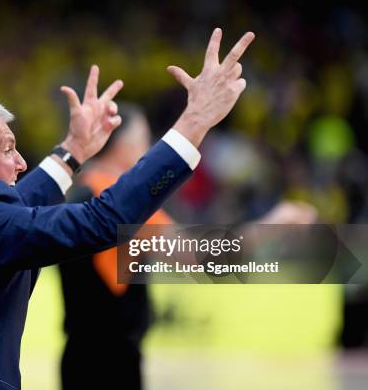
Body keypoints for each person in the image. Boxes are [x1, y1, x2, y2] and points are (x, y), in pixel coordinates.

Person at [0, 28, 255, 389]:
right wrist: (195, 122)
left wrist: (73, 151)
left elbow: (11, 212)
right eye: (8, 149)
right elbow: (103, 221)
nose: (20, 163)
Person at [58, 102, 318, 390]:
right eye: (144, 140)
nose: (148, 150)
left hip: (78, 357)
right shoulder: (120, 202)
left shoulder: (77, 191)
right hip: (109, 364)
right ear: (123, 146)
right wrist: (273, 225)